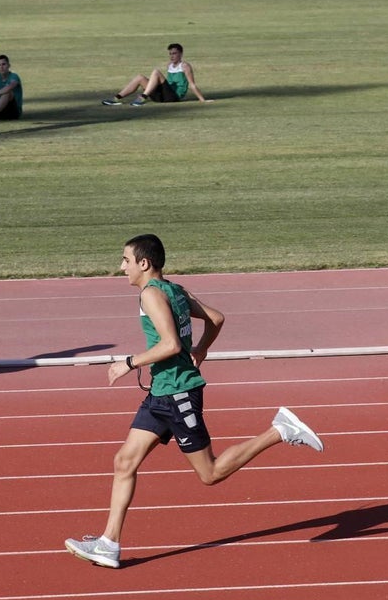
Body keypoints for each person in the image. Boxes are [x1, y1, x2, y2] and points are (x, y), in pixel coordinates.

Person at [64, 234, 323, 568]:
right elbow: (216, 318)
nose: (121, 267)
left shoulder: (151, 295)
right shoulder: (174, 290)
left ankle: (279, 430)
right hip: (161, 393)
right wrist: (200, 349)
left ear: (144, 264)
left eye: (125, 260)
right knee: (124, 461)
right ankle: (108, 543)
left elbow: (170, 344)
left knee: (210, 473)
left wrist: (128, 363)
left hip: (178, 394)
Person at [101, 43, 212, 107]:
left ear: (181, 54)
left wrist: (202, 100)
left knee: (156, 72)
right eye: (170, 54)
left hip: (174, 97)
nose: (172, 56)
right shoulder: (169, 65)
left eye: (174, 53)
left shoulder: (185, 66)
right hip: (163, 96)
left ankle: (142, 98)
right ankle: (115, 99)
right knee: (140, 77)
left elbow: (192, 84)